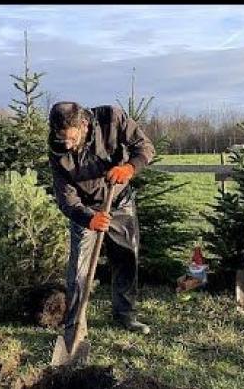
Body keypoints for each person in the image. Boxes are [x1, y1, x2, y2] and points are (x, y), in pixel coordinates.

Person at [48, 101, 155, 347]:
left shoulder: (111, 119)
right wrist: (88, 218)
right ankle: (75, 325)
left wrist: (130, 168)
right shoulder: (56, 149)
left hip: (119, 199)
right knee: (78, 269)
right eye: (61, 138)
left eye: (71, 139)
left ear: (83, 125)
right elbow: (65, 198)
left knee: (126, 257)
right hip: (85, 208)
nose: (66, 145)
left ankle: (125, 314)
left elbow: (146, 147)